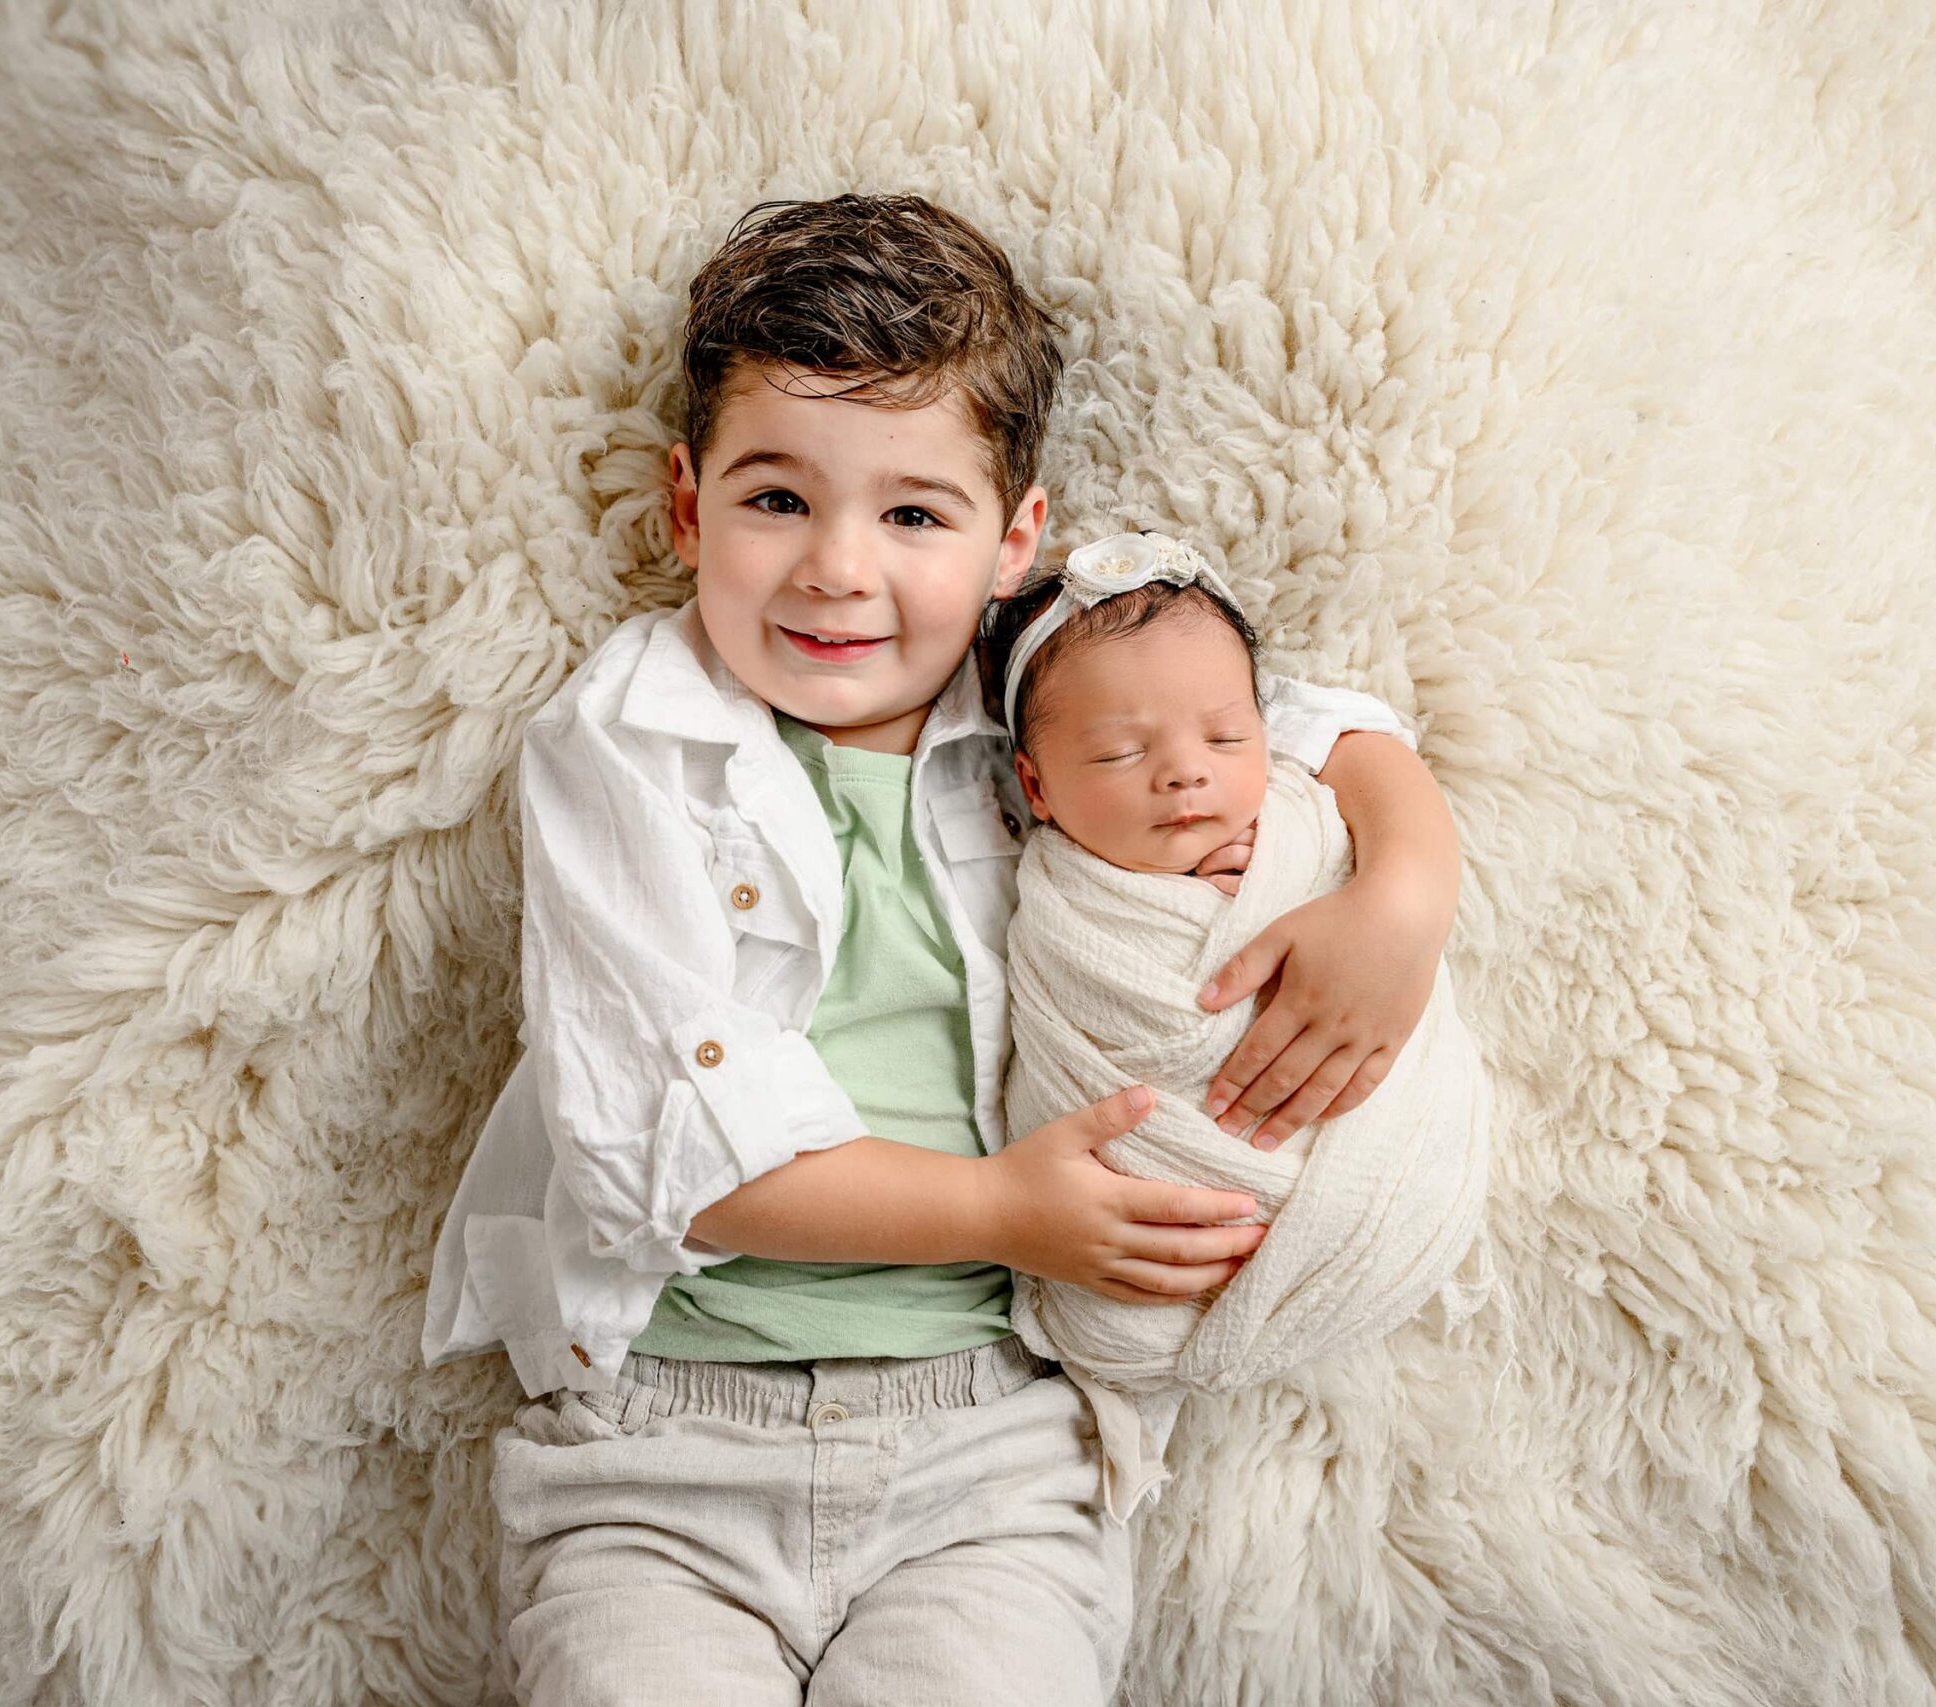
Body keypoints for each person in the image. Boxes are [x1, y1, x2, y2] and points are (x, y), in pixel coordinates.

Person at [421, 193, 1461, 1705]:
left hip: (987, 1449)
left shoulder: (1040, 704)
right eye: (779, 498)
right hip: (657, 1451)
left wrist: (1407, 894)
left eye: (913, 514)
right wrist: (1006, 1207)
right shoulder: (622, 743)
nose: (842, 570)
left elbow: (1303, 715)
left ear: (1010, 540)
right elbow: (667, 1148)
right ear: (686, 504)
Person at [979, 530, 1493, 1524]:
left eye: (1224, 739)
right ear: (1035, 788)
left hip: (1362, 1191)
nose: (1185, 775)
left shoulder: (1305, 815)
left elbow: (1349, 737)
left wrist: (1383, 899)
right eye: (1121, 754)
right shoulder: (1046, 887)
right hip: (1129, 1228)